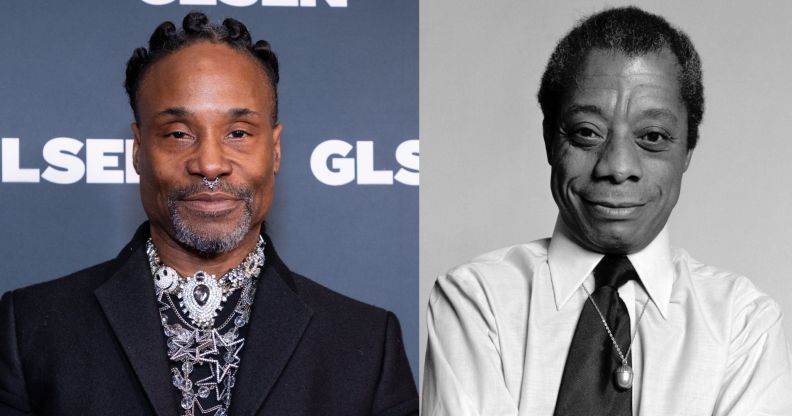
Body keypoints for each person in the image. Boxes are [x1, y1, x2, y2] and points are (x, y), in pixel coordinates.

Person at [0, 12, 417, 416]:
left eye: (238, 133)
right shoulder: (33, 328)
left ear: (274, 150)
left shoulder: (364, 343)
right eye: (178, 134)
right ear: (139, 149)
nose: (210, 163)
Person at [422, 6, 792, 416]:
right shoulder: (478, 299)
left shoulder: (742, 322)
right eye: (586, 133)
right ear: (550, 140)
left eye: (652, 137)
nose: (617, 166)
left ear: (687, 150)